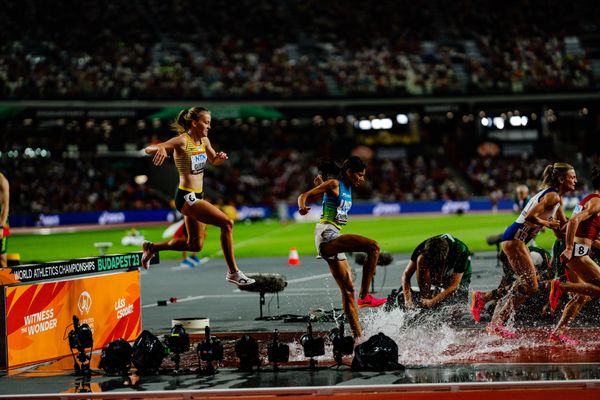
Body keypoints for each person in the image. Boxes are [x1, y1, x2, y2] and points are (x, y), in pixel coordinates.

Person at [140, 107, 255, 287]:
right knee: (227, 223)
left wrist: (219, 158)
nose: (209, 126)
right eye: (206, 122)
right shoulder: (182, 141)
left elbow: (213, 161)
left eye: (210, 123)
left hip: (198, 195)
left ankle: (152, 248)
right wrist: (161, 147)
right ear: (194, 123)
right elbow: (149, 149)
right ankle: (233, 272)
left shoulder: (204, 140)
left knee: (195, 245)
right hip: (186, 196)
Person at [297, 156, 385, 339]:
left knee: (347, 291)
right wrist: (302, 207)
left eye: (363, 175)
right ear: (348, 172)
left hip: (333, 235)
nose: (362, 178)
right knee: (374, 247)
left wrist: (323, 184)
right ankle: (366, 296)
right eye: (359, 175)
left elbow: (330, 200)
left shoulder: (345, 187)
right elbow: (303, 195)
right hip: (326, 235)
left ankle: (358, 338)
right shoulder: (334, 183)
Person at [488, 162, 576, 338]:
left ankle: (493, 314)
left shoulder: (558, 199)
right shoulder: (553, 197)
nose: (576, 180)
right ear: (561, 179)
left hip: (518, 240)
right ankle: (495, 320)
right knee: (531, 286)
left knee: (528, 285)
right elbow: (529, 216)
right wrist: (547, 223)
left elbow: (560, 230)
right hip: (515, 239)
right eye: (572, 177)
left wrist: (578, 224)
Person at [548, 166, 600, 344]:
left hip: (578, 250)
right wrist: (569, 248)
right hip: (577, 253)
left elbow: (587, 234)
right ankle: (561, 286)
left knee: (582, 296)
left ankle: (557, 333)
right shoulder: (597, 201)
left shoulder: (590, 200)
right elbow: (574, 221)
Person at [470, 246, 552, 323]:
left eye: (511, 261)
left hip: (549, 282)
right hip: (536, 282)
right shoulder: (509, 262)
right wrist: (495, 303)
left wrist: (548, 304)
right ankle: (484, 297)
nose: (511, 266)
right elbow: (505, 281)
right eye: (509, 263)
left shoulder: (534, 257)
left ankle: (485, 296)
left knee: (528, 289)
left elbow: (543, 281)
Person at [402, 233, 472, 309]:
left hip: (458, 274)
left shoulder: (461, 252)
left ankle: (435, 296)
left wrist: (434, 301)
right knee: (421, 259)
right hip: (433, 261)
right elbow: (406, 275)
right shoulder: (422, 248)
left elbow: (454, 285)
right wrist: (408, 300)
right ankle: (425, 298)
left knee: (457, 310)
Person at [0, 172, 9, 268]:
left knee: (2, 257)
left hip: (4, 223)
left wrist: (1, 226)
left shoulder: (3, 181)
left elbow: (6, 206)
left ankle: (6, 281)